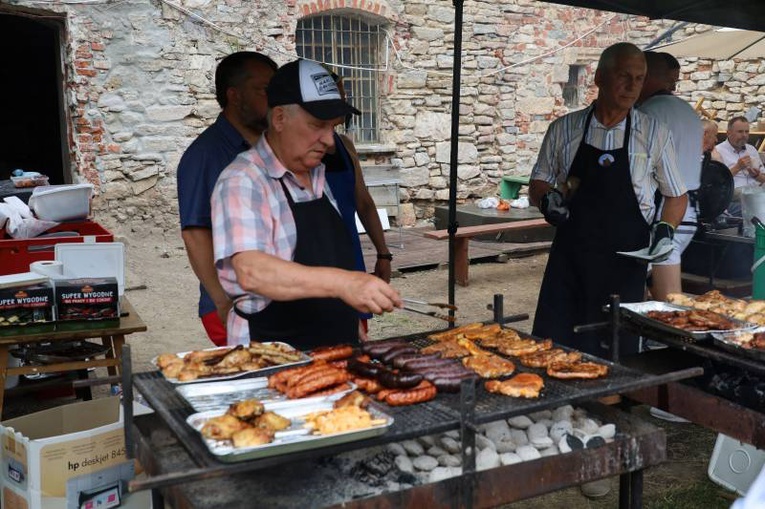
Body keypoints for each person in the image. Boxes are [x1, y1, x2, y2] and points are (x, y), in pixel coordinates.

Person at [211, 59, 401, 350]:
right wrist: (345, 283)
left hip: (335, 352)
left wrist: (346, 318)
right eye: (317, 125)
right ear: (279, 119)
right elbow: (251, 271)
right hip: (272, 358)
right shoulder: (243, 180)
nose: (329, 140)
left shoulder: (317, 172)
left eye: (333, 127)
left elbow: (325, 258)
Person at [529, 42, 687, 359]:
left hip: (625, 262)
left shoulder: (654, 132)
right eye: (623, 76)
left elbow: (676, 195)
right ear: (600, 77)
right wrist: (547, 201)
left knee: (616, 353)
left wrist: (666, 229)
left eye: (639, 78)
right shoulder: (564, 129)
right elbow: (539, 181)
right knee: (553, 350)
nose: (632, 86)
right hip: (570, 260)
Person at [177, 52, 277, 346]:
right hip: (234, 303)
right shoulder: (205, 155)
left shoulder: (271, 147)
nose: (274, 99)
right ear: (234, 96)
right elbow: (195, 233)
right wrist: (222, 301)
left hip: (274, 296)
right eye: (264, 90)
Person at [322, 73, 392, 339]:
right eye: (336, 95)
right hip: (318, 266)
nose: (343, 100)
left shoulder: (345, 146)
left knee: (355, 341)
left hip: (349, 255)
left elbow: (364, 203)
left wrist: (383, 254)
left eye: (343, 94)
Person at [638, 51, 703, 301]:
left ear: (645, 77)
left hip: (664, 208)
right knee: (651, 273)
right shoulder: (687, 111)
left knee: (655, 284)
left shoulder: (648, 113)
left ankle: (655, 336)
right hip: (689, 207)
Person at [716, 116, 765, 215]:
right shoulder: (718, 151)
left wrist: (756, 175)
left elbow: (763, 179)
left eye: (747, 132)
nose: (744, 135)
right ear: (728, 133)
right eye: (740, 132)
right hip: (734, 192)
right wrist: (737, 167)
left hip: (755, 190)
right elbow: (717, 182)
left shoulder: (751, 149)